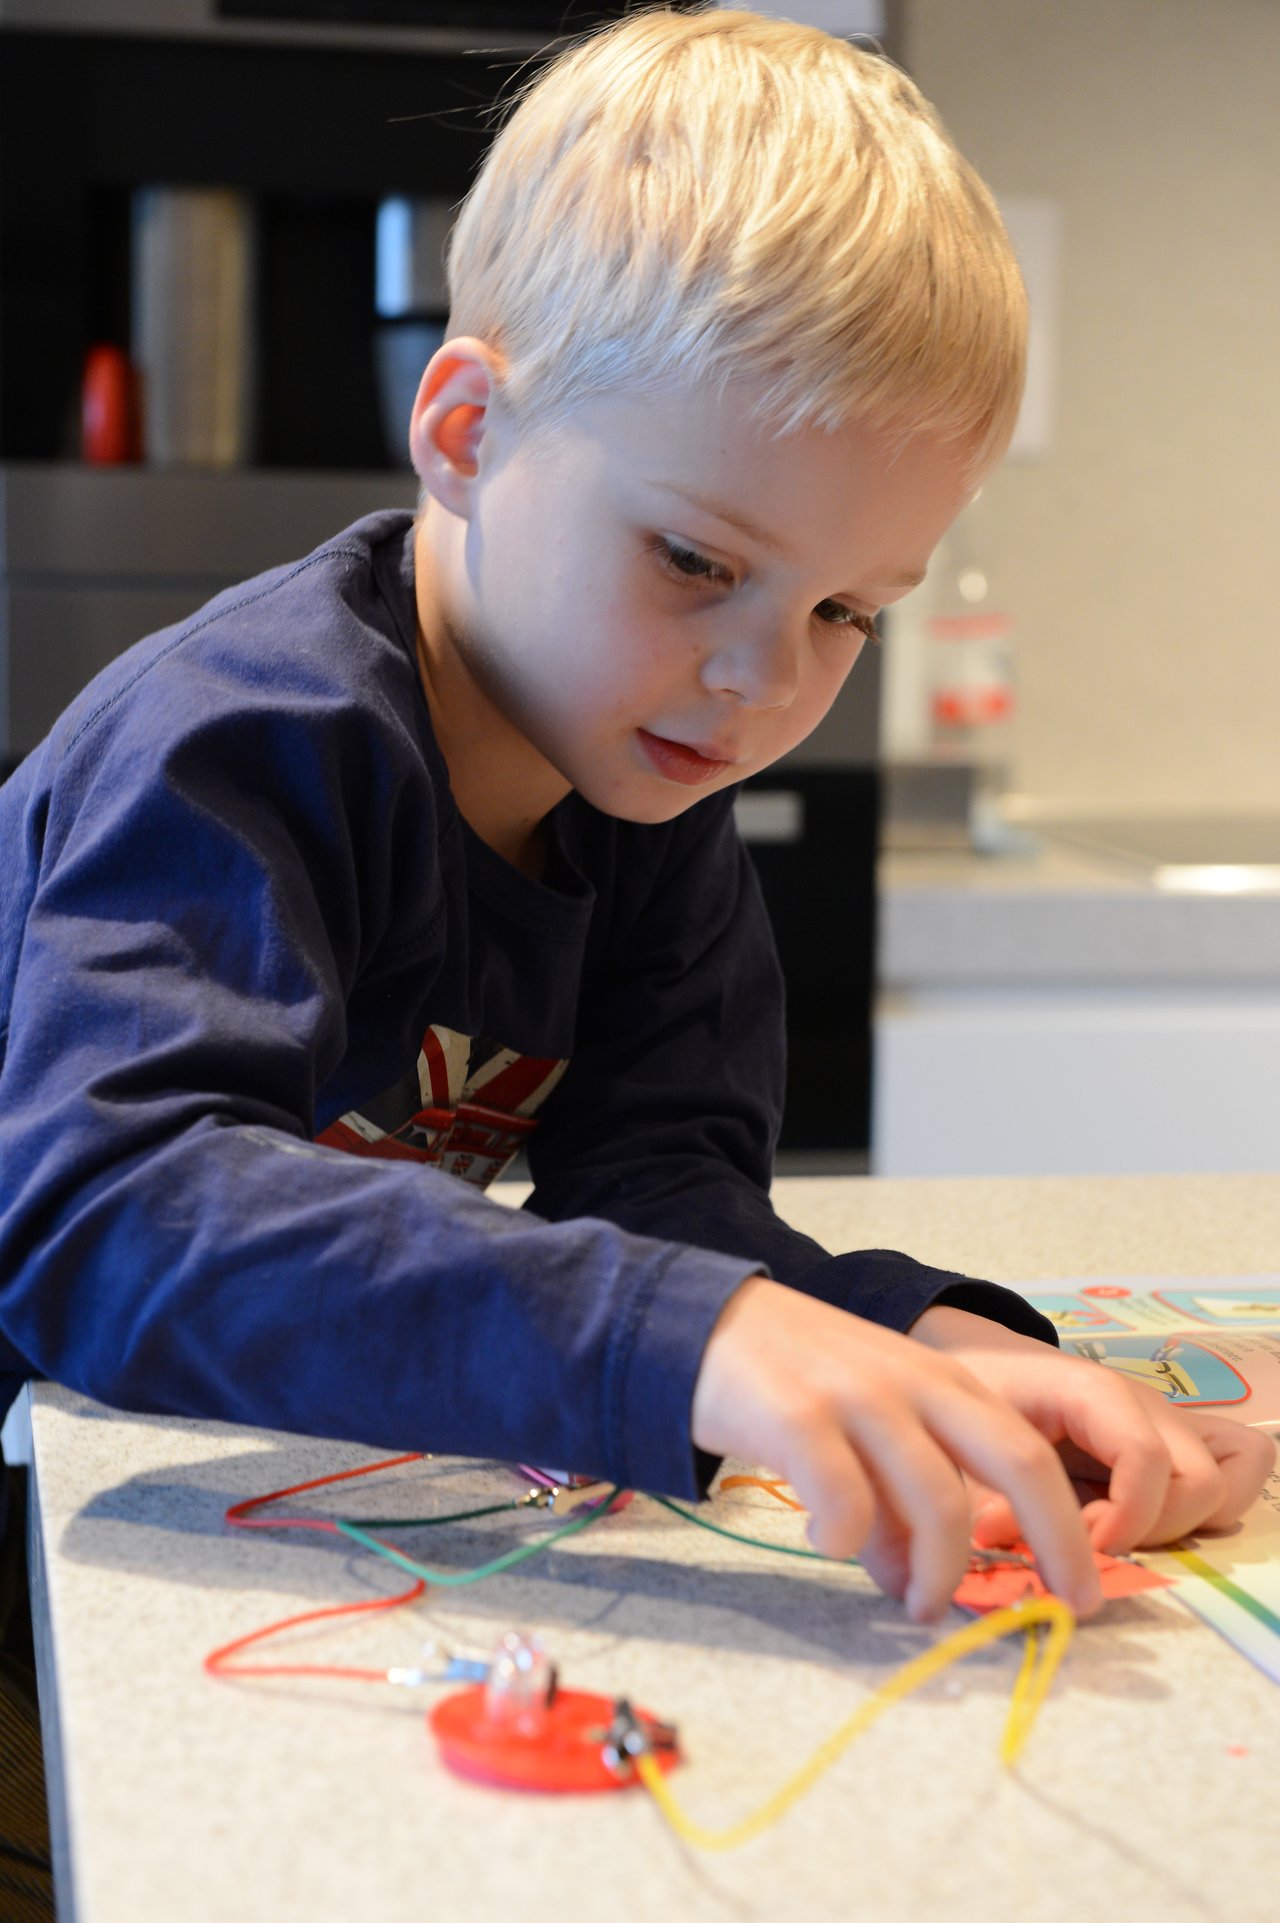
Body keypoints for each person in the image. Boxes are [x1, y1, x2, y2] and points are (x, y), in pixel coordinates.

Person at [0, 8, 1270, 1716]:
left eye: (842, 611)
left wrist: (922, 1344)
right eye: (695, 559)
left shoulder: (641, 779)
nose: (767, 680)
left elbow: (662, 1199)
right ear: (464, 435)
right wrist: (706, 1341)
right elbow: (106, 1216)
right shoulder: (248, 741)